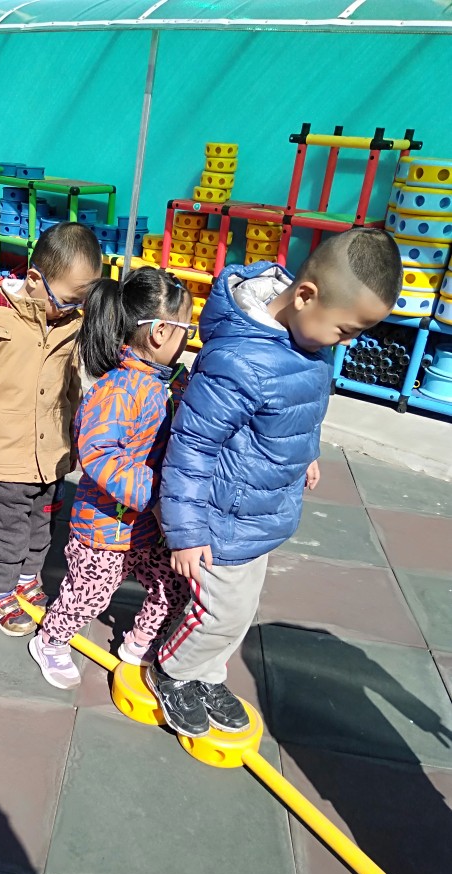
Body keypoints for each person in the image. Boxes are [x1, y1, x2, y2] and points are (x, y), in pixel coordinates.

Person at [148, 229, 403, 737]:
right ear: (305, 295)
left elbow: (302, 407)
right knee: (219, 612)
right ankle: (172, 671)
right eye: (345, 330)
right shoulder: (239, 362)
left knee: (241, 610)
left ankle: (206, 674)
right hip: (220, 518)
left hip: (260, 510)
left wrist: (307, 452)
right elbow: (191, 447)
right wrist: (186, 532)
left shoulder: (306, 338)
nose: (347, 343)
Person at [28, 267, 194, 689]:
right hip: (104, 528)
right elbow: (99, 454)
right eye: (186, 330)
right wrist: (153, 495)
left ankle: (139, 643)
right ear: (159, 332)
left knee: (172, 586)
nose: (188, 340)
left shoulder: (171, 382)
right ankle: (50, 640)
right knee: (88, 594)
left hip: (149, 527)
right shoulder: (119, 391)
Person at [0, 222, 103, 636]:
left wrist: (74, 442)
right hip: (3, 455)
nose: (72, 309)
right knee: (8, 531)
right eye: (67, 300)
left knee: (41, 526)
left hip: (49, 456)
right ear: (34, 279)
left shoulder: (70, 324)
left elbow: (71, 390)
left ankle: (28, 578)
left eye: (80, 302)